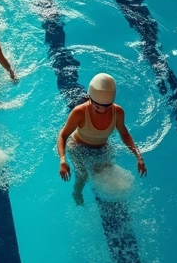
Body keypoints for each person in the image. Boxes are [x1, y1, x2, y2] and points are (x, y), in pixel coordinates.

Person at [57, 73, 147, 205]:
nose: (102, 110)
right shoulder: (79, 112)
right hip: (78, 147)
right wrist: (63, 161)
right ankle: (77, 193)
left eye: (107, 106)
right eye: (98, 106)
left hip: (102, 147)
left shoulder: (118, 112)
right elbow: (63, 135)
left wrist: (138, 156)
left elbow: (125, 134)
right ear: (89, 98)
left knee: (108, 172)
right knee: (83, 176)